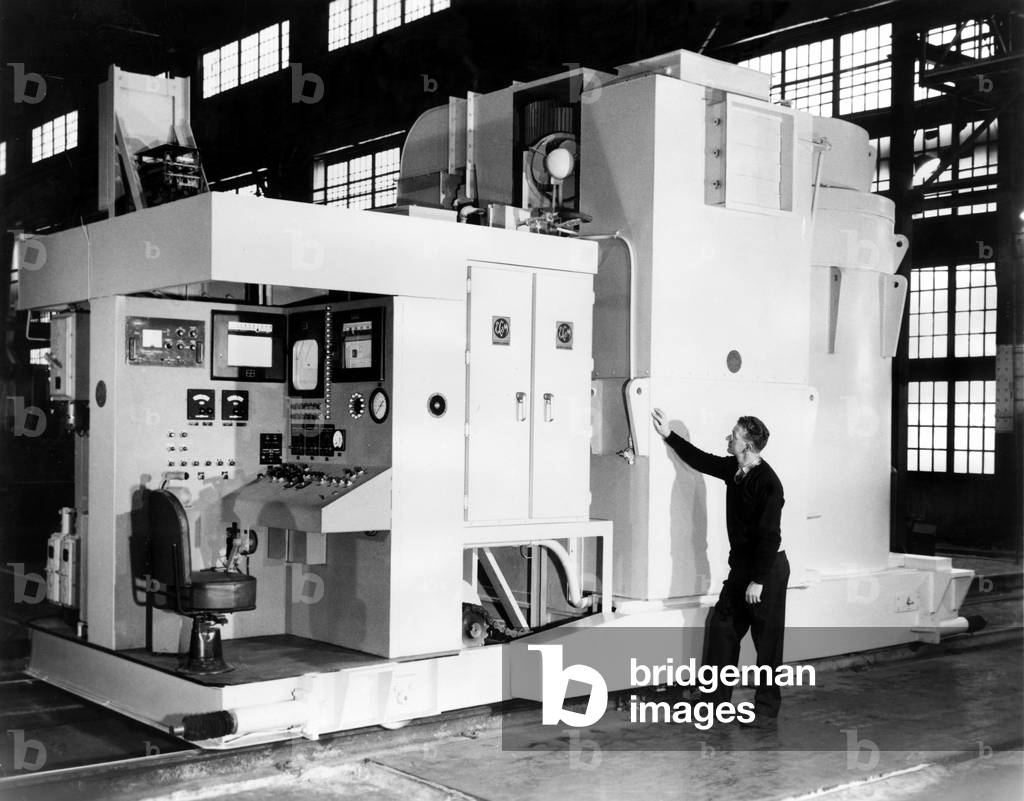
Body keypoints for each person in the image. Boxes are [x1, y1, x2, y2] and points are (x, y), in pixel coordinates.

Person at [651, 408, 789, 727]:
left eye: (734, 436)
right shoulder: (734, 469)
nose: (728, 438)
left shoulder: (769, 484)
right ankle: (715, 701)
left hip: (766, 570)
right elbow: (701, 460)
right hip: (743, 568)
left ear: (747, 446)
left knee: (767, 640)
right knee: (722, 628)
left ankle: (767, 708)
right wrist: (669, 435)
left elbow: (771, 536)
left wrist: (758, 580)